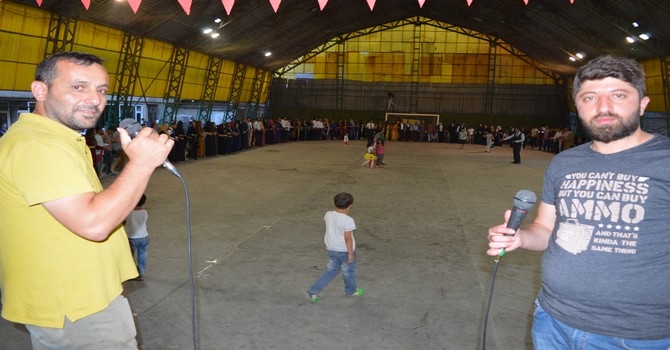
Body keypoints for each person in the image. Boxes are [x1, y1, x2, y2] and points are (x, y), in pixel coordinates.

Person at [487, 55, 670, 348]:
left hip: (635, 336)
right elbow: (546, 230)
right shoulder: (564, 163)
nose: (603, 107)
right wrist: (521, 237)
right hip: (553, 320)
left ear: (643, 104)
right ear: (578, 107)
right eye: (589, 97)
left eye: (619, 95)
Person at [0, 51, 173, 349]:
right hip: (76, 306)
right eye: (78, 87)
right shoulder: (39, 145)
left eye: (101, 90)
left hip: (79, 296)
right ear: (40, 90)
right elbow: (94, 224)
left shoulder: (58, 138)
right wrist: (142, 164)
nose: (94, 99)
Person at [306, 192, 364, 303]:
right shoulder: (348, 220)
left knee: (330, 271)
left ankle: (313, 291)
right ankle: (351, 291)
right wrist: (351, 253)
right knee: (349, 272)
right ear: (350, 207)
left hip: (331, 249)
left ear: (333, 203)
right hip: (344, 251)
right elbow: (348, 238)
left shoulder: (328, 214)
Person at [125, 194, 150, 281]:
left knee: (129, 256)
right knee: (142, 256)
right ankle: (140, 273)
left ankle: (130, 273)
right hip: (144, 237)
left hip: (132, 237)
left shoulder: (129, 213)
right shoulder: (145, 212)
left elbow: (123, 222)